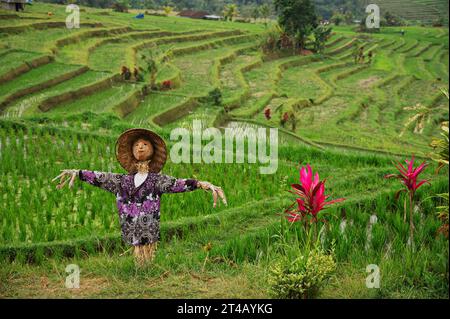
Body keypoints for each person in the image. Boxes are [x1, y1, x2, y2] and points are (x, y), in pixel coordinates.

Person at [52, 128, 227, 266]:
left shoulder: (157, 180)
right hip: (131, 229)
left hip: (149, 230)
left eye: (144, 144)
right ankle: (140, 272)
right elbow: (100, 177)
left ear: (152, 151)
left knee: (147, 255)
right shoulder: (122, 181)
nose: (140, 147)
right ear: (132, 151)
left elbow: (178, 183)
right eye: (136, 145)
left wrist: (202, 184)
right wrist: (78, 173)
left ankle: (147, 271)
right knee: (137, 255)